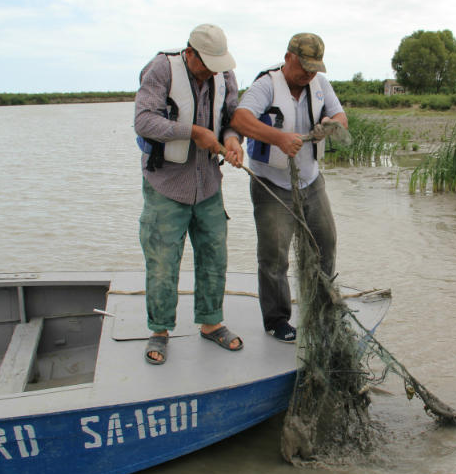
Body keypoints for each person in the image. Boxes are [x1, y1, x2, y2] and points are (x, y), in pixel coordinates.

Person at [135, 23, 245, 364]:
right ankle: (159, 330)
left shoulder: (224, 75)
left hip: (209, 184)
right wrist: (193, 132)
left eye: (218, 63)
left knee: (214, 255)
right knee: (163, 261)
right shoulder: (161, 69)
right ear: (189, 53)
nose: (213, 69)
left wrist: (231, 140)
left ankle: (211, 324)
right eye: (206, 62)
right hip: (166, 185)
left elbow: (230, 119)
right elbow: (144, 121)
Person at [230, 32, 348, 343]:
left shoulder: (320, 85)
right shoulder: (266, 85)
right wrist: (279, 137)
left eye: (314, 68)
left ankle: (321, 308)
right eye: (304, 67)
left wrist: (330, 125)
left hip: (311, 181)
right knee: (274, 257)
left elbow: (341, 117)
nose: (309, 74)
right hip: (271, 185)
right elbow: (240, 120)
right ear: (288, 58)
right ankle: (276, 319)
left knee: (327, 244)